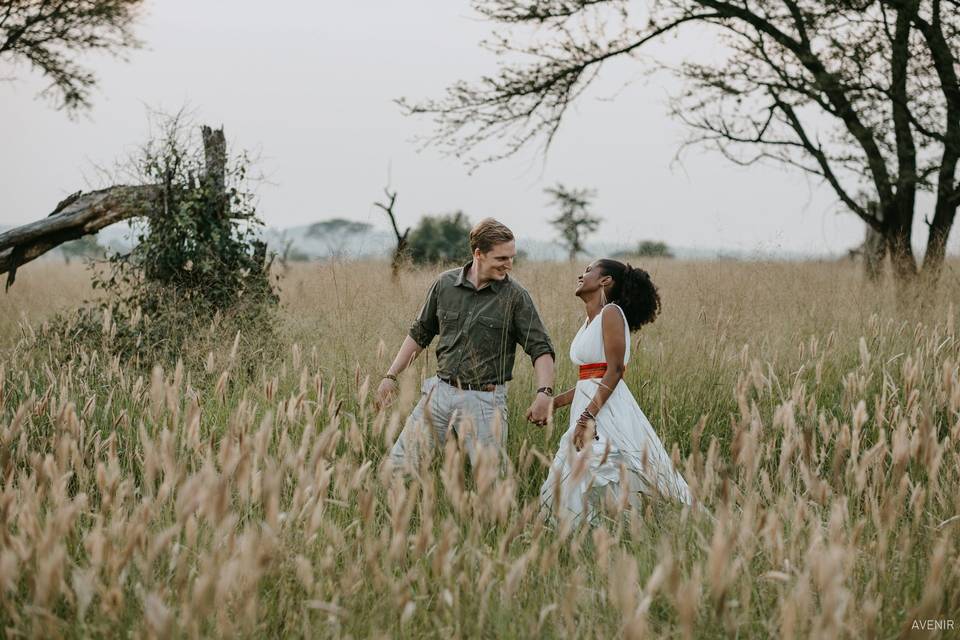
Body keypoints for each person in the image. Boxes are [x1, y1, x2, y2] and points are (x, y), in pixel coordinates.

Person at [376, 218, 556, 470]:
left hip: (484, 402)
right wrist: (391, 376)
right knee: (398, 468)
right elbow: (420, 334)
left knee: (491, 484)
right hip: (439, 393)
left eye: (511, 257)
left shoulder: (516, 297)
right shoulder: (444, 284)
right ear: (478, 254)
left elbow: (541, 349)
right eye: (501, 258)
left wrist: (544, 393)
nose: (509, 265)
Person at [540, 258, 692, 525]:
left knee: (598, 469)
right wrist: (556, 403)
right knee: (580, 475)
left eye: (589, 270)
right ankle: (592, 536)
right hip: (591, 406)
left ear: (605, 280)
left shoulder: (611, 312)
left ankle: (615, 532)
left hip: (606, 412)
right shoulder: (591, 320)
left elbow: (615, 370)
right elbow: (591, 380)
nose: (581, 274)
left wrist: (588, 417)